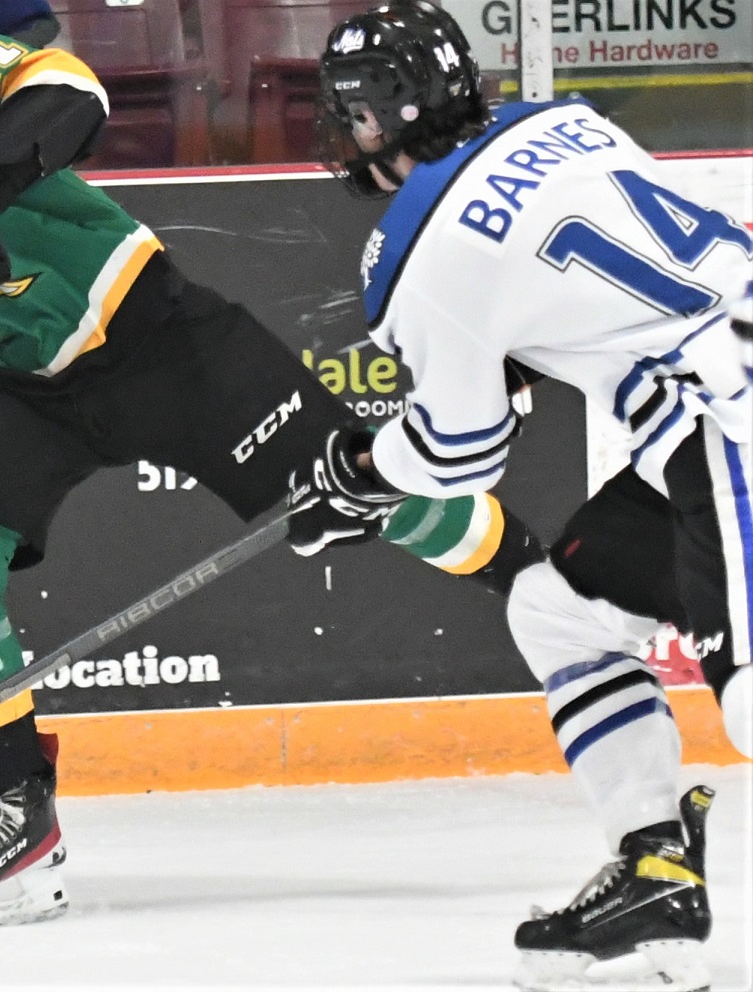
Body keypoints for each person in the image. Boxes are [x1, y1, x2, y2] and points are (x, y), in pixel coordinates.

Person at [0, 7, 542, 930]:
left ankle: (550, 586)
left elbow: (66, 90)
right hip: (11, 388)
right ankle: (18, 813)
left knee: (377, 494)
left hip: (150, 333)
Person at [311, 3, 752, 989]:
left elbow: (462, 453)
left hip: (729, 418)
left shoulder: (414, 252)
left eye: (349, 118)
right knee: (561, 609)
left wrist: (367, 471)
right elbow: (605, 293)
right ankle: (656, 868)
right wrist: (521, 362)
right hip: (723, 379)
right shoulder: (564, 122)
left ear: (377, 123)